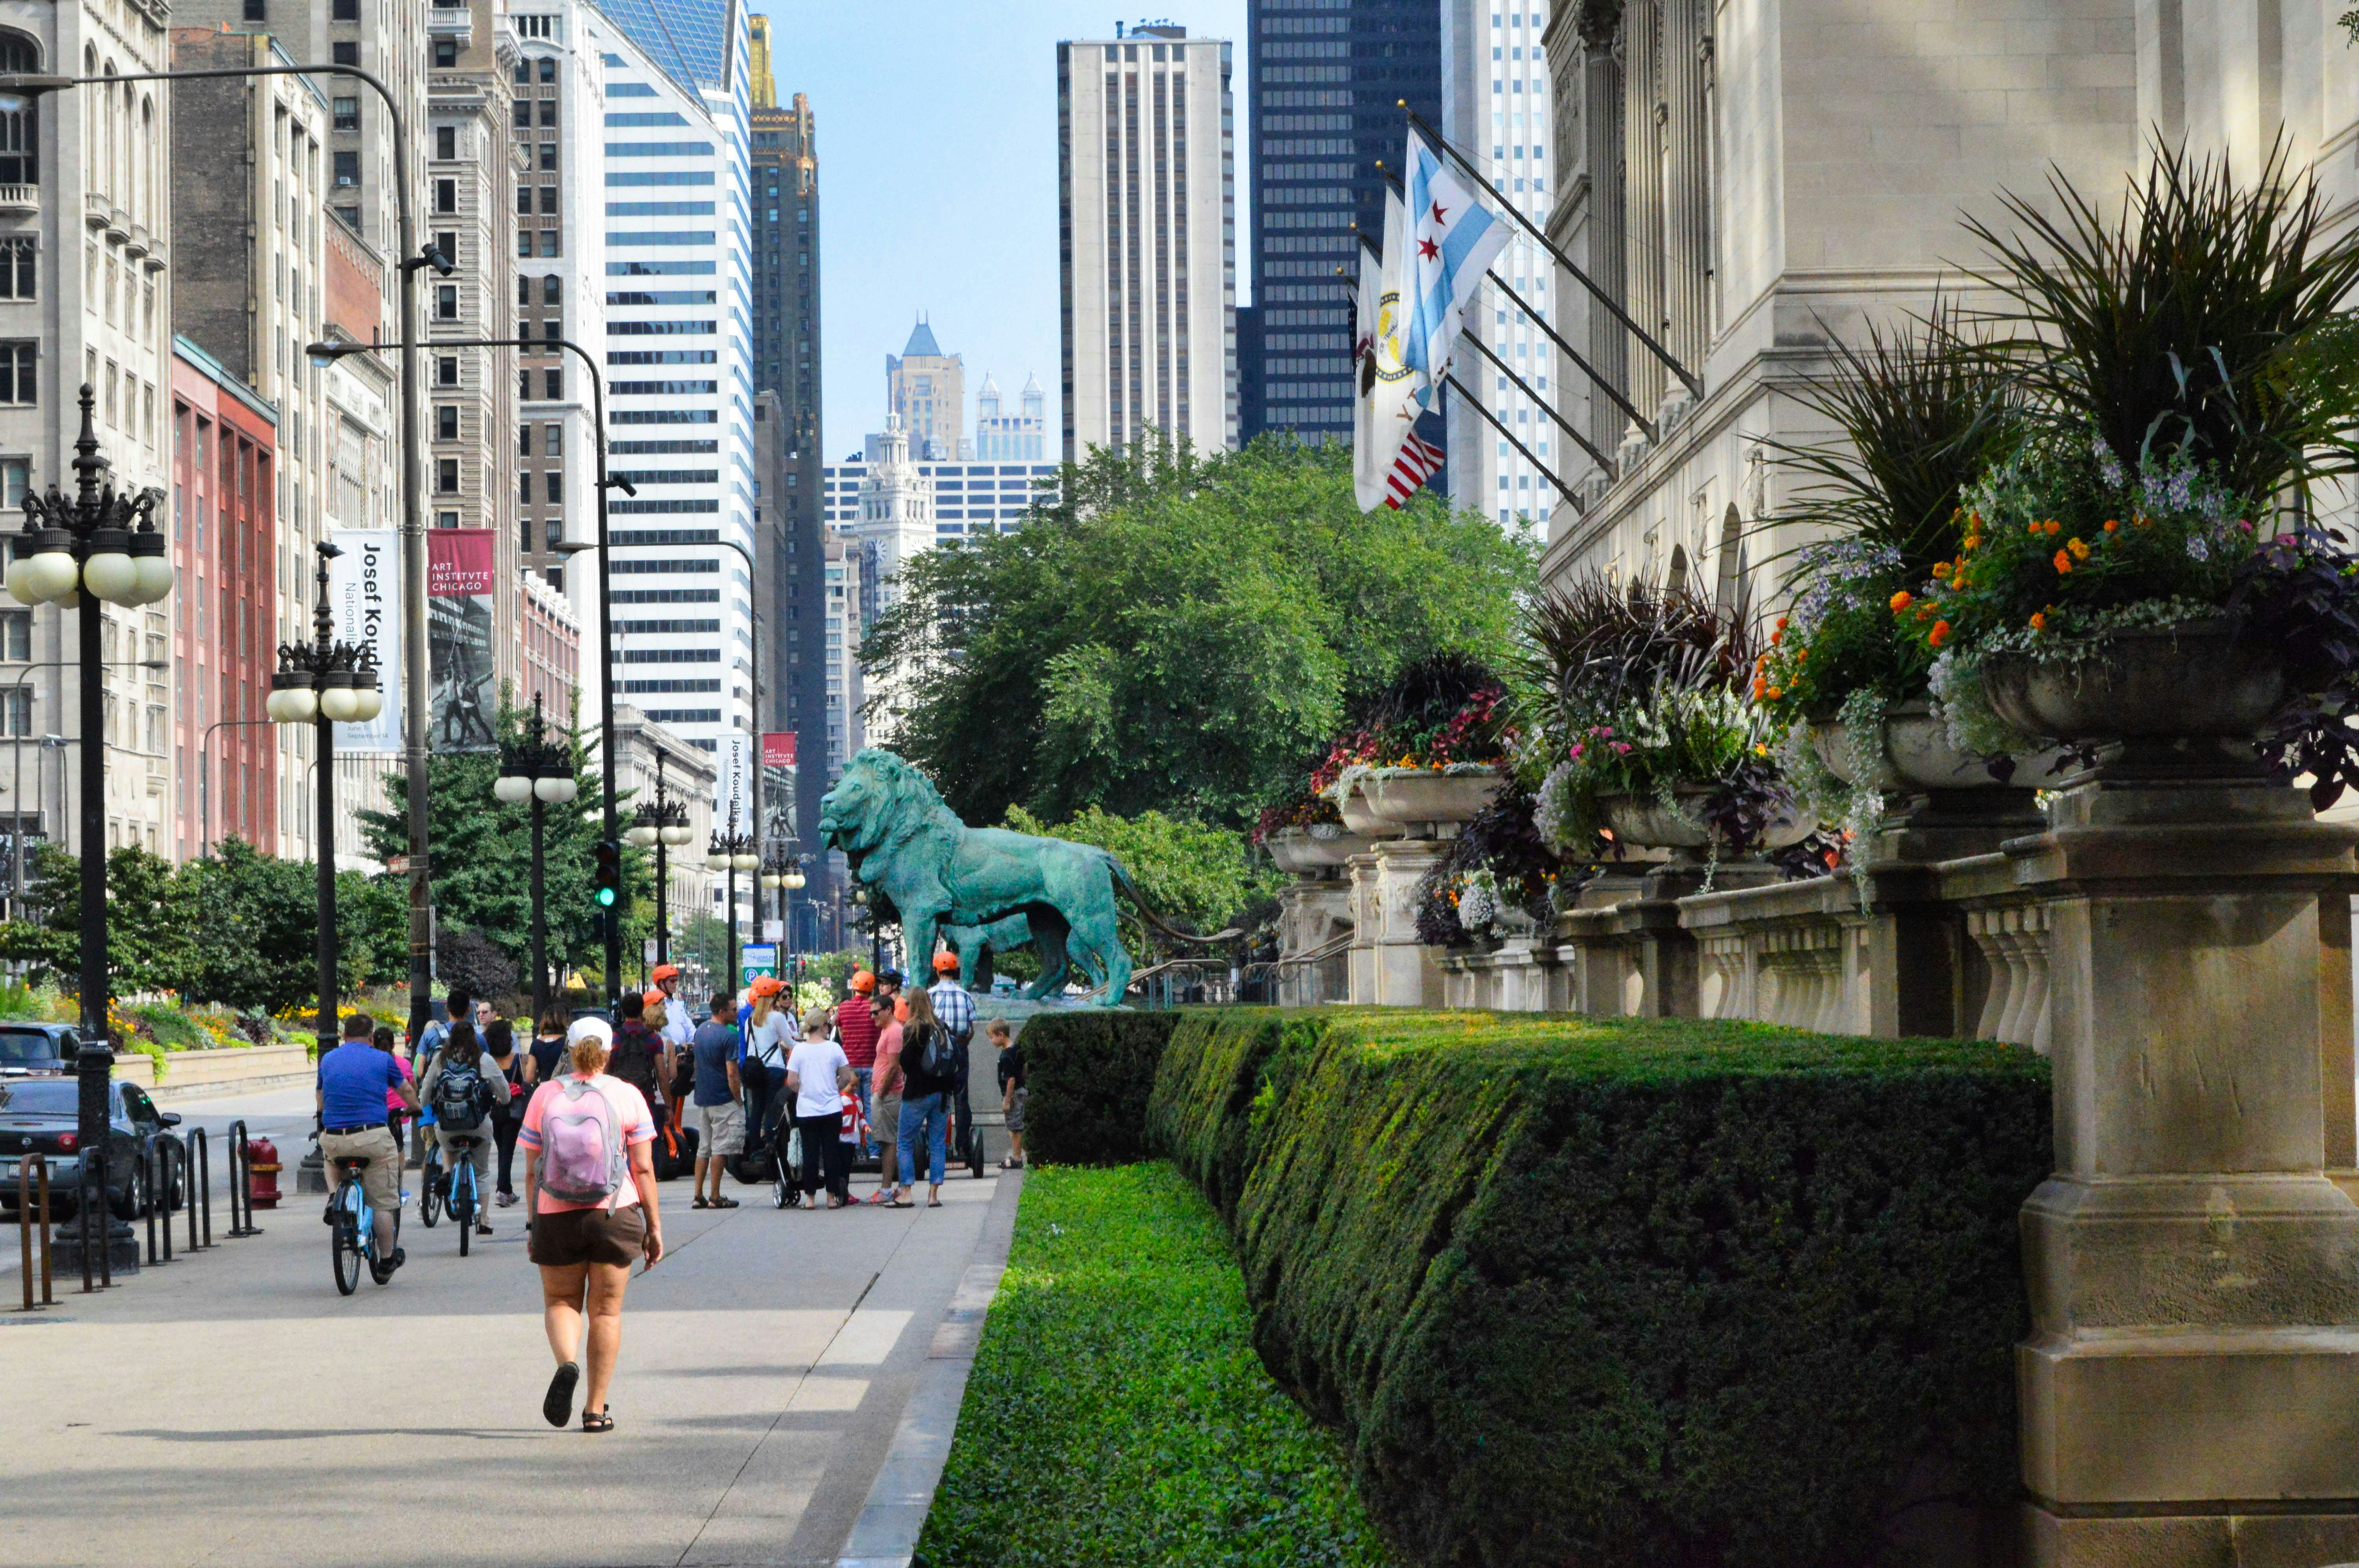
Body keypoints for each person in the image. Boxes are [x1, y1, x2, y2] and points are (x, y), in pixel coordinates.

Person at [521, 1016, 663, 1434]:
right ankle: (596, 1409)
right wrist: (653, 1226)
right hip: (613, 1214)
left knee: (561, 1301)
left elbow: (531, 1171)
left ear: (568, 1048)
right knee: (606, 1312)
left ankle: (567, 1363)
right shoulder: (627, 1095)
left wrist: (534, 1223)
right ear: (609, 1051)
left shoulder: (545, 1095)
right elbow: (643, 1167)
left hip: (554, 1212)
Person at [318, 1011, 420, 1281]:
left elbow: (321, 1095)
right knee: (383, 1202)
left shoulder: (328, 1059)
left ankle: (333, 1196)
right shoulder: (382, 1059)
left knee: (329, 1157)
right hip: (372, 1138)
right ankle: (387, 1259)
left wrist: (324, 1115)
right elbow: (406, 1090)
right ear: (372, 1038)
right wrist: (415, 1108)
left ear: (343, 1036)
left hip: (335, 1136)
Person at [420, 1020, 512, 1237]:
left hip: (447, 1127)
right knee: (481, 1172)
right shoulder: (483, 1060)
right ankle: (483, 1220)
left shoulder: (440, 1059)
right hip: (478, 1125)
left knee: (446, 1143)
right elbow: (505, 1094)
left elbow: (424, 1095)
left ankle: (448, 1172)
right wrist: (501, 1100)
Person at [894, 987, 956, 1209]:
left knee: (905, 1141)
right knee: (938, 1143)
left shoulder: (913, 1030)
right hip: (941, 1093)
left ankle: (907, 1192)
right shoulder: (942, 1028)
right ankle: (933, 1195)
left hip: (917, 1093)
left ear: (911, 1005)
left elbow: (907, 1064)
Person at [786, 1014, 854, 1207]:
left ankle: (810, 1198)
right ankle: (831, 1197)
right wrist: (835, 1087)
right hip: (832, 1108)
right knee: (831, 1152)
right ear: (824, 1026)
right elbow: (846, 1076)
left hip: (807, 1110)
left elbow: (791, 1081)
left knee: (810, 1153)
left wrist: (805, 1091)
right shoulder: (834, 1048)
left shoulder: (799, 1050)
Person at [687, 992, 743, 1210]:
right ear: (722, 1012)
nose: (736, 1013)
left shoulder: (700, 1032)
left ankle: (697, 1195)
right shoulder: (729, 1037)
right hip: (723, 1098)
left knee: (704, 1147)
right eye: (733, 1009)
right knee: (720, 1148)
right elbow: (732, 1073)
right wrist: (738, 1098)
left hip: (703, 1096)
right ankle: (715, 1196)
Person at [929, 955, 978, 1171]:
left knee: (938, 1098)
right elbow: (971, 1027)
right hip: (960, 1048)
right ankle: (963, 1147)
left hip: (938, 1052)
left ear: (937, 971)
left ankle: (939, 1146)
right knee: (961, 1098)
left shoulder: (930, 995)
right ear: (956, 970)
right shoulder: (966, 995)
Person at [741, 978, 795, 1160]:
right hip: (774, 1069)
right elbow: (790, 1043)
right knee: (773, 1109)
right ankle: (772, 1146)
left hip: (755, 1070)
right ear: (775, 997)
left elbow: (750, 1045)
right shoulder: (778, 1017)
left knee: (757, 1110)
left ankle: (755, 1150)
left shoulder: (751, 1019)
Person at [866, 989, 905, 1205]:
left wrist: (881, 1093)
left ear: (889, 1010)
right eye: (871, 1014)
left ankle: (887, 1189)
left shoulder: (894, 1031)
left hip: (888, 1095)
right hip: (884, 1093)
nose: (873, 1017)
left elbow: (893, 1067)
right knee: (887, 1141)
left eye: (876, 1013)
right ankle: (890, 1188)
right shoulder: (887, 1030)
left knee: (888, 1142)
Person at [486, 1018, 530, 1205]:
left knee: (502, 1147)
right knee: (507, 1150)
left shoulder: (488, 1061)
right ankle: (503, 1189)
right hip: (513, 1110)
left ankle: (507, 1189)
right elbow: (527, 1081)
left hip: (493, 1110)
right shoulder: (518, 1060)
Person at [607, 991, 667, 1120]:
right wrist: (668, 1106)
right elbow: (662, 1075)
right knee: (649, 1139)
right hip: (646, 1098)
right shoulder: (653, 1039)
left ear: (623, 1012)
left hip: (620, 1100)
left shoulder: (614, 1039)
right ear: (642, 1011)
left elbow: (606, 1071)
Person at [838, 970, 879, 1160]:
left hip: (850, 1066)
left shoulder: (844, 1008)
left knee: (851, 1107)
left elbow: (841, 1035)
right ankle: (873, 1151)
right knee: (871, 1109)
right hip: (871, 1064)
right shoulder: (874, 1007)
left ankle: (851, 1148)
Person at [992, 1020, 1025, 1171]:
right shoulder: (1016, 1050)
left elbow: (1010, 1079)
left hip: (1014, 1094)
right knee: (1015, 1125)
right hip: (1021, 1090)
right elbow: (1024, 1068)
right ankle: (1016, 1156)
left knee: (1014, 1127)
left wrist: (1007, 1100)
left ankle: (1017, 1158)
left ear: (1001, 1035)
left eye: (992, 1037)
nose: (991, 1041)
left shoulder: (1006, 1056)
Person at [649, 963, 695, 1060]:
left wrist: (693, 1042)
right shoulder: (654, 1005)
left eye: (676, 981)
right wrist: (678, 1046)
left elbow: (689, 1027)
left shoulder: (678, 1005)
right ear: (662, 983)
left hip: (684, 1054)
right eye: (672, 981)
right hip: (666, 1055)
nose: (675, 984)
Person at [526, 1009, 567, 1087]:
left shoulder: (536, 1044)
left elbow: (529, 1078)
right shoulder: (566, 1042)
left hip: (545, 1088)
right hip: (564, 1087)